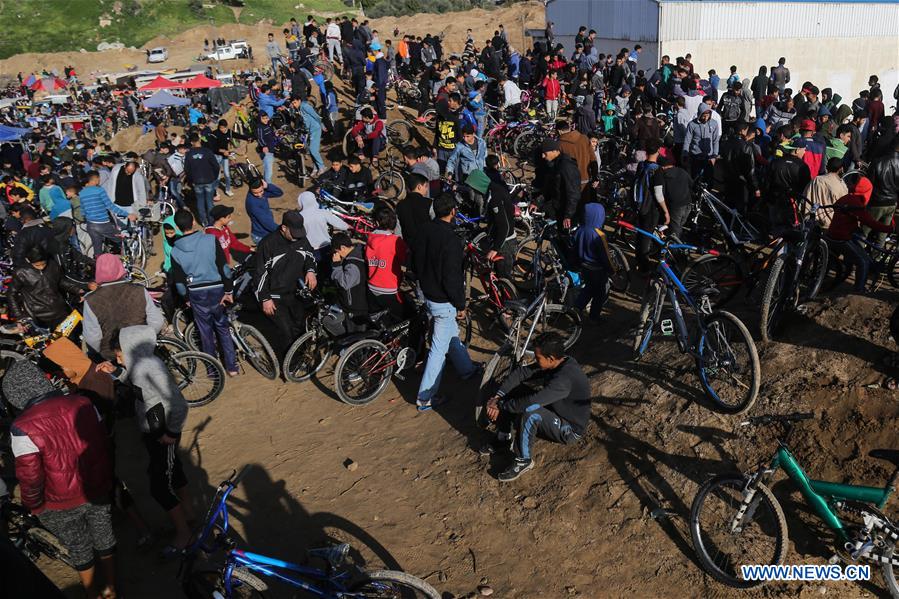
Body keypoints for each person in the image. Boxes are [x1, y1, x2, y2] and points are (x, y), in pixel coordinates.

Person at [5, 359, 117, 599]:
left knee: (79, 546)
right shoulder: (84, 402)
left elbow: (30, 475)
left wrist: (33, 504)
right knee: (104, 534)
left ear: (14, 394)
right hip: (95, 486)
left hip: (58, 500)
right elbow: (103, 443)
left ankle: (91, 591)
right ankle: (111, 587)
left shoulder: (21, 427)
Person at [481, 333, 590, 482]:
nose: (535, 361)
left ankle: (524, 460)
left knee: (530, 412)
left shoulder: (564, 379)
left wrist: (500, 405)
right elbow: (521, 373)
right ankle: (504, 437)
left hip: (569, 429)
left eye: (538, 358)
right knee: (513, 393)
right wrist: (498, 397)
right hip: (554, 409)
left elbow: (531, 402)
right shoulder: (558, 362)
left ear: (550, 358)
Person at [412, 193, 480, 411]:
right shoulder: (450, 240)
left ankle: (467, 369)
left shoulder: (423, 230)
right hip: (443, 301)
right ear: (453, 212)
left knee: (451, 335)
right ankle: (425, 397)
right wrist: (461, 304)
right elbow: (452, 278)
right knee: (438, 350)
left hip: (428, 293)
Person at [169, 209, 239, 377]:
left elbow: (179, 283)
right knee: (222, 326)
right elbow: (224, 268)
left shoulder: (175, 251)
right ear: (193, 222)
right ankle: (231, 367)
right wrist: (228, 290)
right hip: (217, 289)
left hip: (196, 294)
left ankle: (212, 370)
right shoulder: (210, 240)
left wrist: (186, 299)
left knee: (205, 331)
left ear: (178, 227)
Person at [252, 210, 318, 357]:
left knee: (300, 326)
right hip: (275, 296)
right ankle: (288, 364)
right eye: (294, 234)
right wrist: (265, 298)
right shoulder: (268, 244)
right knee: (286, 332)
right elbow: (259, 274)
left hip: (296, 293)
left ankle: (300, 357)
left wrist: (311, 271)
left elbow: (310, 256)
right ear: (284, 228)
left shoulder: (301, 238)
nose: (297, 238)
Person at [83, 253, 164, 361]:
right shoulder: (139, 290)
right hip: (141, 347)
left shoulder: (90, 300)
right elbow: (157, 321)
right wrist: (147, 338)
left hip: (112, 355)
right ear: (120, 267)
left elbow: (93, 338)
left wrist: (101, 354)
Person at [826, 177, 895, 293]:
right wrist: (890, 228)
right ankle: (859, 289)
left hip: (831, 234)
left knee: (856, 246)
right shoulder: (857, 204)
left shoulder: (845, 198)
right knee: (863, 261)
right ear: (867, 192)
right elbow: (872, 224)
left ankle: (846, 268)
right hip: (842, 238)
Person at [8, 247, 92, 330]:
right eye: (37, 265)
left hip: (59, 310)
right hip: (38, 315)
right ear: (28, 260)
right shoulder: (20, 272)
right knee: (50, 342)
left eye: (43, 264)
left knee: (69, 339)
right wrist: (19, 316)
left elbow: (60, 281)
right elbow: (11, 294)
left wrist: (77, 290)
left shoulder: (52, 265)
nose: (41, 267)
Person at [464, 169, 515, 279]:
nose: (473, 191)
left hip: (505, 241)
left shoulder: (494, 197)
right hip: (500, 237)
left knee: (504, 278)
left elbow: (503, 226)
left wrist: (495, 249)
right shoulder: (493, 189)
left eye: (473, 188)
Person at [79, 170, 138, 257]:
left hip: (91, 225)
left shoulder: (82, 193)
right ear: (96, 179)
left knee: (97, 250)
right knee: (121, 239)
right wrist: (128, 214)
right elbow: (111, 206)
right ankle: (127, 261)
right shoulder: (99, 190)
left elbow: (83, 211)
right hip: (103, 224)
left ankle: (98, 267)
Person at [366, 207, 408, 321]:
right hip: (389, 289)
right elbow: (405, 259)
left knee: (379, 321)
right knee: (399, 320)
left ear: (377, 222)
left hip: (372, 287)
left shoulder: (370, 238)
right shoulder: (395, 241)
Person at [573, 203, 611, 322]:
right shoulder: (599, 235)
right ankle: (594, 316)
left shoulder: (579, 231)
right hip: (598, 270)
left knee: (588, 289)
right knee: (600, 294)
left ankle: (576, 309)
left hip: (584, 267)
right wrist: (612, 270)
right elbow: (606, 257)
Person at [535, 139, 580, 231]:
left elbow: (573, 193)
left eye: (545, 153)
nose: (543, 156)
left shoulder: (566, 166)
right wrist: (537, 203)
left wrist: (568, 215)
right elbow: (549, 187)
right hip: (557, 208)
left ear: (555, 151)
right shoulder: (553, 165)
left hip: (565, 212)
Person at [767, 139, 812, 229]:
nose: (804, 153)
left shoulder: (776, 162)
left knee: (775, 225)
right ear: (797, 150)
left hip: (775, 198)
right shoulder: (802, 166)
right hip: (792, 202)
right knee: (791, 228)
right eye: (804, 150)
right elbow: (806, 187)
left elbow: (767, 181)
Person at [329, 232, 369, 331]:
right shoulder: (359, 251)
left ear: (343, 248)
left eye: (336, 251)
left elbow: (345, 283)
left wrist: (336, 265)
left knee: (356, 337)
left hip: (356, 307)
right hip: (360, 304)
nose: (336, 254)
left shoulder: (353, 263)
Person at [297, 190, 349, 264]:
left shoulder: (299, 217)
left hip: (310, 250)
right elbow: (339, 224)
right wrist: (347, 226)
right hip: (327, 247)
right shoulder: (323, 212)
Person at [864, 137, 899, 244]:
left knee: (864, 232)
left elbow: (868, 183)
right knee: (882, 234)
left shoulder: (877, 161)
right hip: (892, 203)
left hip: (876, 202)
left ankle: (856, 257)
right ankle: (877, 257)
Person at [652, 156, 693, 239]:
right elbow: (692, 184)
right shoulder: (682, 171)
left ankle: (674, 249)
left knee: (675, 232)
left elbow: (659, 194)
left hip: (676, 207)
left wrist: (665, 211)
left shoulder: (663, 174)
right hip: (688, 203)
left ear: (662, 166)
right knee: (679, 226)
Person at [184, 133, 220, 227]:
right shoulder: (207, 151)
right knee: (209, 201)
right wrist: (214, 177)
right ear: (199, 140)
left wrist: (191, 180)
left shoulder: (188, 154)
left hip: (197, 181)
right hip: (209, 180)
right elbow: (216, 166)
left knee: (200, 202)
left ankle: (204, 222)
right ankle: (211, 221)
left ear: (191, 142)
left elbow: (187, 170)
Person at [805, 157, 848, 228]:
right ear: (841, 169)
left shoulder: (816, 179)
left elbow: (806, 197)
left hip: (812, 220)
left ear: (827, 167)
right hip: (831, 224)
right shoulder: (841, 186)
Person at [683, 104, 720, 181]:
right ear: (699, 114)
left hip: (709, 157)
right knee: (695, 178)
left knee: (709, 179)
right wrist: (685, 154)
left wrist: (714, 156)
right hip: (695, 156)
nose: (706, 118)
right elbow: (687, 140)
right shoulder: (692, 124)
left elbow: (715, 140)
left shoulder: (714, 123)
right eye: (704, 115)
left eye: (708, 115)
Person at [291, 96, 326, 175]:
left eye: (295, 102)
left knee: (313, 150)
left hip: (315, 129)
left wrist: (322, 125)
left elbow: (316, 116)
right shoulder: (299, 108)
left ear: (299, 100)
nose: (294, 105)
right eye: (292, 103)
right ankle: (315, 167)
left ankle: (322, 166)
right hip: (309, 131)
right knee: (310, 150)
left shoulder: (305, 106)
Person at [245, 177, 284, 244]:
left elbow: (279, 193)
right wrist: (282, 230)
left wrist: (268, 186)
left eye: (261, 191)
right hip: (261, 236)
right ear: (250, 190)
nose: (259, 194)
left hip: (265, 232)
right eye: (255, 193)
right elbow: (266, 223)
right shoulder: (253, 203)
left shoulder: (261, 194)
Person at [207, 119, 234, 198]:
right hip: (217, 156)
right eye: (221, 127)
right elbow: (213, 147)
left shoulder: (229, 132)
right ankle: (215, 191)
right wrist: (222, 151)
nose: (223, 129)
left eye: (224, 127)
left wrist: (247, 138)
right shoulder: (214, 134)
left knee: (227, 174)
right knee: (217, 176)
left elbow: (237, 135)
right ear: (218, 127)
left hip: (225, 157)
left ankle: (228, 190)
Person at [255, 112, 279, 184]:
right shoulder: (259, 127)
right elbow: (260, 138)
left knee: (267, 169)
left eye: (266, 118)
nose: (265, 120)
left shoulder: (268, 125)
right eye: (263, 118)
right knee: (269, 171)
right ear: (260, 119)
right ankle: (269, 186)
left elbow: (271, 134)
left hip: (271, 150)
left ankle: (265, 184)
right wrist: (264, 146)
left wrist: (275, 134)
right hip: (266, 151)